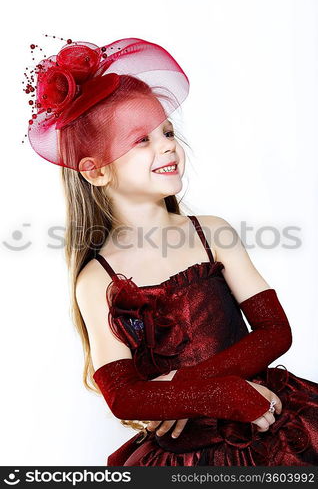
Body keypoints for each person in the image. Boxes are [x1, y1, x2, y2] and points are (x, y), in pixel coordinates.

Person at [26, 36, 318, 466]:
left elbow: (276, 332)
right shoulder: (98, 280)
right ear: (97, 171)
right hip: (187, 454)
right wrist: (219, 395)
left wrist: (181, 388)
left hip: (272, 419)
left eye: (167, 132)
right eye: (140, 139)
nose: (167, 146)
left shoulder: (211, 234)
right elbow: (125, 397)